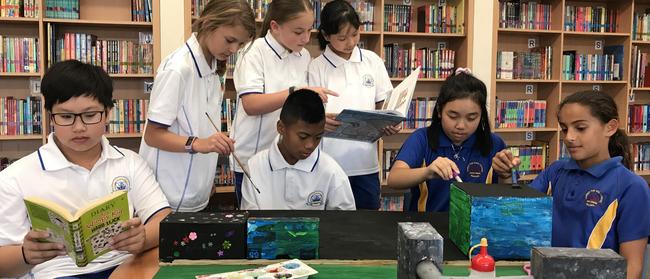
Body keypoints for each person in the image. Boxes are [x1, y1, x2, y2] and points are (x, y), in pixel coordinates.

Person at [0, 60, 171, 278]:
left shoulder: (130, 162)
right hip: (58, 273)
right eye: (66, 117)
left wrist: (142, 237)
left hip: (124, 266)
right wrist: (25, 255)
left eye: (90, 115)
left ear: (108, 113)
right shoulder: (14, 177)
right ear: (50, 116)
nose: (79, 128)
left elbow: (162, 218)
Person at [492, 91, 650, 279]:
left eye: (581, 128)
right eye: (565, 129)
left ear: (610, 127)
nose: (569, 137)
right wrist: (505, 176)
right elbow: (517, 213)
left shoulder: (631, 186)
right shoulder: (556, 171)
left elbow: (632, 266)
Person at [139, 0, 256, 212]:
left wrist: (205, 176)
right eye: (230, 40)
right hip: (166, 197)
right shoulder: (178, 69)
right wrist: (199, 144)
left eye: (240, 45)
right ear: (209, 24)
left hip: (196, 193)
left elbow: (201, 125)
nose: (234, 50)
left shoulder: (213, 66)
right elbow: (152, 135)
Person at [232, 0, 338, 206]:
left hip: (288, 156)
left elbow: (297, 108)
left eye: (309, 31)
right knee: (257, 227)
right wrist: (295, 91)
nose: (306, 38)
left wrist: (320, 120)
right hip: (252, 157)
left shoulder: (303, 56)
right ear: (275, 27)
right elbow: (251, 104)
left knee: (288, 226)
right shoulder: (254, 52)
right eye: (298, 32)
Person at [308, 0, 400, 210]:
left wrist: (391, 123)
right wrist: (322, 121)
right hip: (328, 163)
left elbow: (385, 105)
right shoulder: (317, 67)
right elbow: (311, 114)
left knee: (367, 225)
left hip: (365, 164)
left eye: (355, 34)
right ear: (326, 35)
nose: (350, 42)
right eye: (342, 37)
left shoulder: (372, 60)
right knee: (331, 226)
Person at [387, 69, 506, 212]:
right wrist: (427, 172)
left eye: (471, 118)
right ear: (439, 110)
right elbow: (394, 178)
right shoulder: (422, 138)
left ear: (481, 116)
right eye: (453, 116)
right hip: (428, 226)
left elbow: (507, 194)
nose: (461, 126)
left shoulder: (494, 143)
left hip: (477, 227)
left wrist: (507, 174)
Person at [240, 89, 356, 210]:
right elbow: (250, 220)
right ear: (281, 128)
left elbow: (345, 222)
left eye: (318, 137)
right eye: (303, 137)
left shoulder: (331, 171)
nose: (310, 145)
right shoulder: (254, 167)